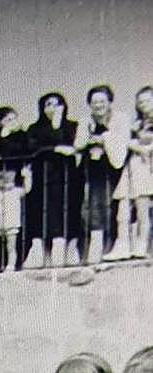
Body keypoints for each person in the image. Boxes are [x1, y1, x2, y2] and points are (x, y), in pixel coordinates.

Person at [23, 92, 81, 269]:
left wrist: (57, 125)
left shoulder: (72, 126)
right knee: (41, 211)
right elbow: (33, 148)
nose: (52, 108)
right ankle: (39, 250)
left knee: (66, 210)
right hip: (43, 178)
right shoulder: (34, 128)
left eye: (57, 104)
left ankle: (67, 248)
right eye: (48, 104)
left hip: (67, 179)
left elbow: (73, 145)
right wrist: (56, 147)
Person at [74, 85, 130, 265]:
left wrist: (105, 137)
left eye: (102, 101)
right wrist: (92, 139)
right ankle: (96, 251)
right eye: (94, 102)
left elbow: (122, 143)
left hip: (118, 168)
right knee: (94, 206)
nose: (98, 105)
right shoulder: (85, 121)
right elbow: (79, 143)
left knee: (118, 208)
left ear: (109, 102)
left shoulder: (121, 118)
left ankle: (117, 246)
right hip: (96, 170)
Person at [106, 86, 153, 261]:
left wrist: (143, 147)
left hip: (146, 166)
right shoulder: (136, 124)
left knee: (142, 208)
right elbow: (124, 140)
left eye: (147, 100)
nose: (143, 104)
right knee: (123, 205)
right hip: (132, 164)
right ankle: (122, 243)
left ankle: (141, 244)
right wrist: (134, 145)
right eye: (140, 101)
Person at [0, 165, 32, 273]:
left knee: (11, 245)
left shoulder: (16, 191)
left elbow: (27, 189)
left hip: (11, 221)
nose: (6, 184)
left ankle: (11, 264)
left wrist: (27, 177)